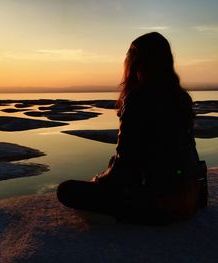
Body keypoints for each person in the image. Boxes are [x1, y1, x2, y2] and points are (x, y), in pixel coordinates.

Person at [56, 32, 207, 225]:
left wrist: (100, 182)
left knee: (67, 190)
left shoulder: (137, 98)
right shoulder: (180, 98)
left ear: (136, 62)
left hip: (158, 203)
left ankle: (118, 216)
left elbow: (125, 165)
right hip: (190, 198)